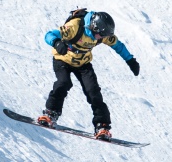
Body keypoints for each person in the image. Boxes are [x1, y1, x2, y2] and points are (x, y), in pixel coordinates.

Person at [37, 9, 140, 140]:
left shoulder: (102, 34)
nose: (102, 39)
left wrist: (130, 60)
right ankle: (51, 113)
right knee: (63, 83)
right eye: (101, 36)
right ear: (93, 28)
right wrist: (57, 43)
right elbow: (49, 34)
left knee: (93, 92)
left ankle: (102, 125)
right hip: (63, 60)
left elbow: (118, 45)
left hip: (83, 64)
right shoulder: (75, 27)